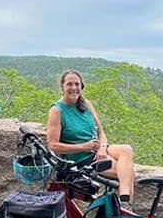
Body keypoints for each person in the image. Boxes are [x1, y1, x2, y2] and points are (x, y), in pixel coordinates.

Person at [46, 70, 135, 203]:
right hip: (82, 159)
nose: (74, 88)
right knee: (128, 172)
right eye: (69, 84)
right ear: (62, 87)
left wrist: (102, 148)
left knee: (126, 149)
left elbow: (101, 132)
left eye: (77, 84)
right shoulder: (57, 110)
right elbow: (53, 145)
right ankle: (125, 205)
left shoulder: (86, 104)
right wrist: (83, 147)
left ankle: (124, 200)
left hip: (97, 150)